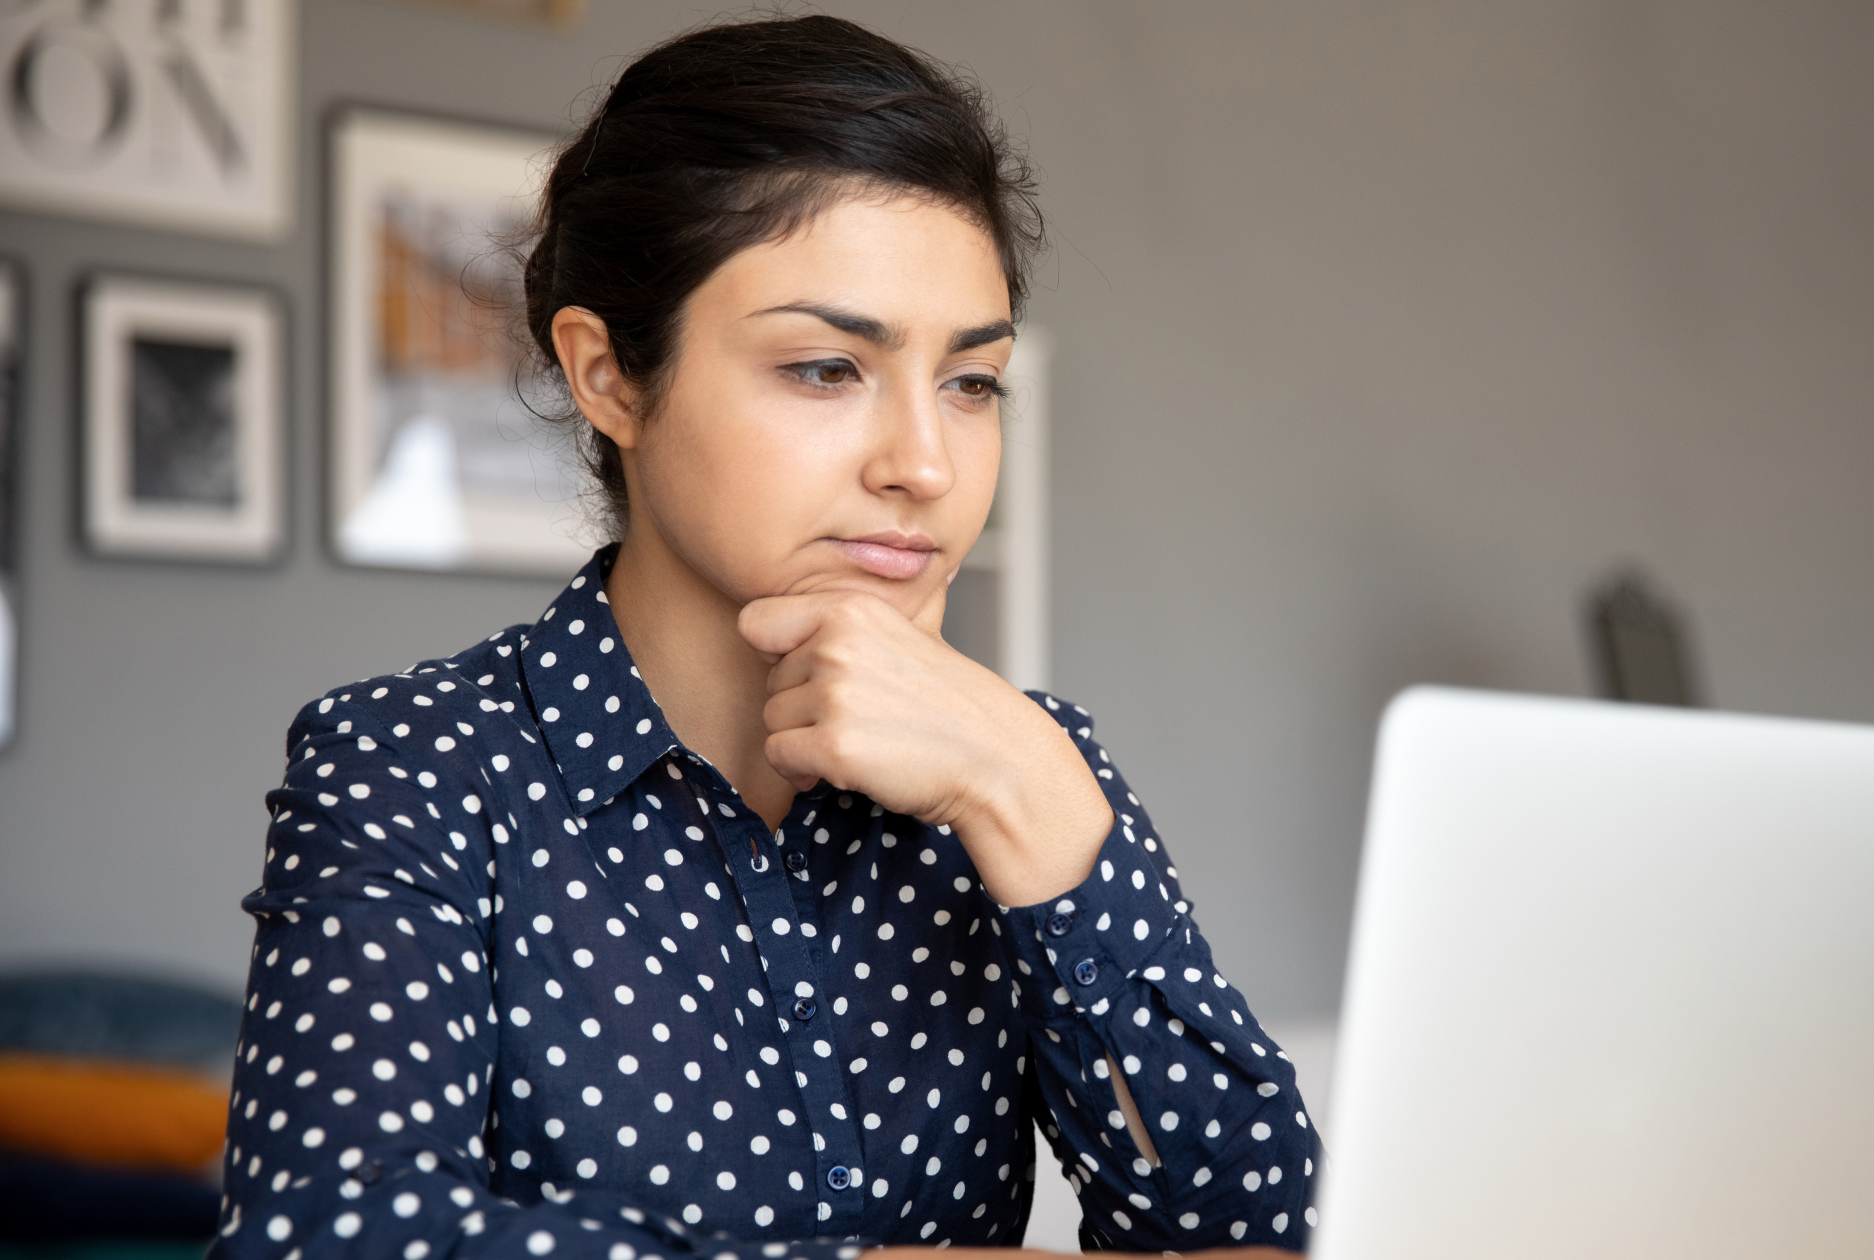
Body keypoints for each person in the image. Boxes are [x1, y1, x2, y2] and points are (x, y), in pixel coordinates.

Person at [212, 16, 1320, 1260]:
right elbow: (330, 1240)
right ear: (609, 377)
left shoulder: (1015, 760)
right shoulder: (415, 766)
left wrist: (1024, 795)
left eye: (971, 382)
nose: (924, 465)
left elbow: (1236, 1229)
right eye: (823, 368)